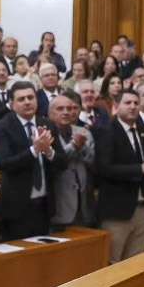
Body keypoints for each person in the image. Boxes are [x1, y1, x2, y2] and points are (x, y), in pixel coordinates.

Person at [0, 81, 65, 239]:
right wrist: (34, 150)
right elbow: (6, 164)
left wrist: (48, 151)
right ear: (12, 104)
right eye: (21, 99)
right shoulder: (2, 126)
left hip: (44, 203)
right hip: (17, 206)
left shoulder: (47, 124)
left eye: (30, 97)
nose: (27, 102)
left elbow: (63, 162)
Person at [95, 89, 144, 262]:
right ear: (116, 106)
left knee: (135, 262)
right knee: (113, 261)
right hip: (118, 210)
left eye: (136, 103)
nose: (132, 106)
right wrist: (141, 168)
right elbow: (104, 168)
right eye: (128, 103)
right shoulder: (106, 131)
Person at [49, 93, 97, 228]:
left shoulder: (84, 132)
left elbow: (93, 161)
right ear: (50, 113)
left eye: (69, 109)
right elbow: (55, 162)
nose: (66, 112)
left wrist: (82, 147)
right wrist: (73, 146)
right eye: (60, 109)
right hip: (59, 202)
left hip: (84, 201)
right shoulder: (46, 134)